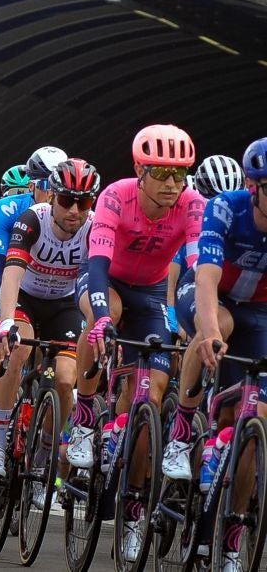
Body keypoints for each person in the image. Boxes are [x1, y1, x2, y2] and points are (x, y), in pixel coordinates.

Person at [68, 125, 202, 564]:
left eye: (180, 175)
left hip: (150, 294)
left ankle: (132, 513)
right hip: (105, 281)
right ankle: (85, 413)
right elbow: (99, 261)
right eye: (163, 174)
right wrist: (103, 316)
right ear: (140, 171)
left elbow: (201, 266)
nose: (172, 185)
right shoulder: (115, 196)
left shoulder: (192, 205)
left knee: (153, 394)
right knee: (105, 315)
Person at [162, 139, 267, 572]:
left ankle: (232, 533)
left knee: (254, 417)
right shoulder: (226, 208)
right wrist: (205, 334)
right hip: (210, 297)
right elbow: (205, 279)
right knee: (217, 328)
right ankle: (183, 428)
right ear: (253, 186)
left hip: (258, 312)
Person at [0, 160, 98, 506]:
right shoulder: (33, 219)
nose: (74, 210)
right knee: (18, 350)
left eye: (84, 202)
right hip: (26, 298)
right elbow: (12, 273)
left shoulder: (93, 228)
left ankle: (45, 455)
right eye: (66, 200)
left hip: (66, 304)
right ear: (53, 196)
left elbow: (96, 280)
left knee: (64, 379)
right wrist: (5, 324)